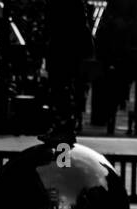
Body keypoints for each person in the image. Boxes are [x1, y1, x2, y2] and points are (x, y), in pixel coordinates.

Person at [43, 0, 95, 140]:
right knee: (63, 89)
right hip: (68, 49)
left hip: (63, 49)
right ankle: (64, 127)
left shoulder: (64, 8)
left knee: (60, 89)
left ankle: (63, 127)